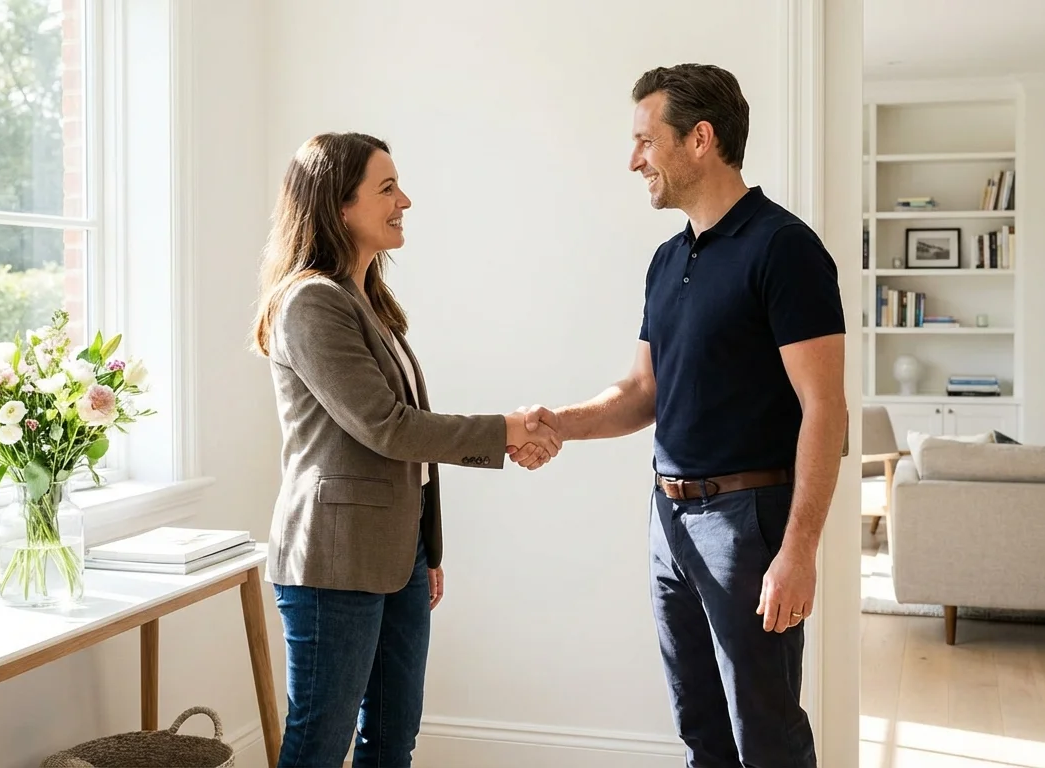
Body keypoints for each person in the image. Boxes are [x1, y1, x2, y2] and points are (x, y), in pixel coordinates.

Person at [520, 64, 846, 767]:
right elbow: (644, 391)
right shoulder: (667, 261)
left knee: (765, 734)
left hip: (747, 523)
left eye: (646, 140)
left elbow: (825, 406)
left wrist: (799, 550)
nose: (633, 159)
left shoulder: (784, 247)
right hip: (668, 520)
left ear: (700, 139)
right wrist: (557, 422)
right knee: (700, 729)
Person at [251, 132, 559, 768]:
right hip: (333, 560)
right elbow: (388, 427)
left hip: (400, 554)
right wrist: (507, 429)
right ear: (339, 205)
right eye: (387, 188)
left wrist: (427, 548)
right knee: (318, 742)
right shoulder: (311, 302)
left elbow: (403, 444)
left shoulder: (367, 300)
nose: (405, 202)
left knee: (393, 737)